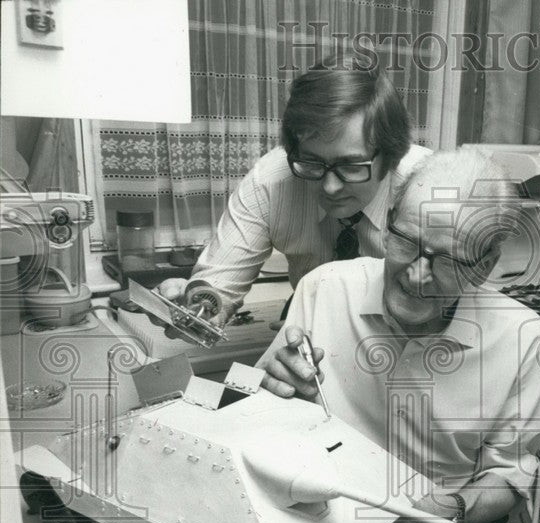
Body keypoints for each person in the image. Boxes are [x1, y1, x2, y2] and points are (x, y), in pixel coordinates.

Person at [256, 148, 540, 523]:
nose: (416, 274)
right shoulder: (324, 290)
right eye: (406, 242)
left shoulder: (523, 339)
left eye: (448, 261)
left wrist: (454, 507)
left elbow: (509, 475)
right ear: (389, 222)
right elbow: (264, 422)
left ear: (486, 265)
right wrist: (274, 394)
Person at [157, 59, 432, 324]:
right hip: (310, 316)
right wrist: (196, 307)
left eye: (350, 166)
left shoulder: (431, 189)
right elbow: (219, 285)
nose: (330, 187)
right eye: (311, 163)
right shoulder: (270, 181)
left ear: (391, 157)